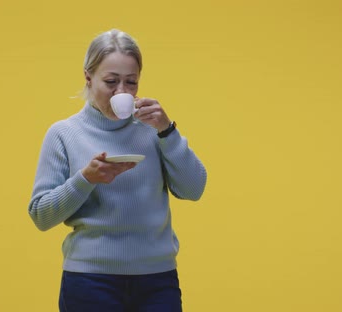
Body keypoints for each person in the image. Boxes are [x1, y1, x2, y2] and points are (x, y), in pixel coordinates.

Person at [28, 29, 207, 312]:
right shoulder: (63, 133)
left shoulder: (154, 131)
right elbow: (41, 215)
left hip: (157, 281)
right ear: (88, 77)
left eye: (131, 82)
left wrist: (167, 131)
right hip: (89, 281)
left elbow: (194, 189)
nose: (121, 92)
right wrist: (85, 179)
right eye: (111, 82)